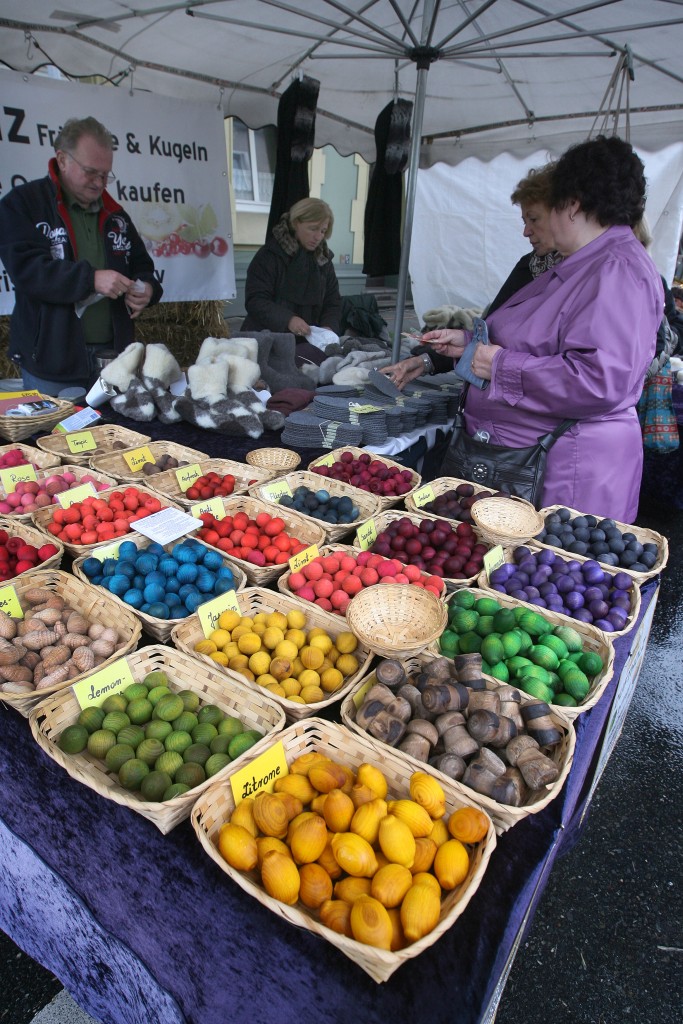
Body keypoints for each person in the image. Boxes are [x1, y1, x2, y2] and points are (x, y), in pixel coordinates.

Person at [420, 135, 664, 524]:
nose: (537, 226)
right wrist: (470, 345)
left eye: (547, 210)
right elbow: (544, 338)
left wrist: (499, 365)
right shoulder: (586, 263)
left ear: (572, 204)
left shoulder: (616, 270)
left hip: (568, 474)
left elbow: (599, 380)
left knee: (552, 562)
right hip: (543, 462)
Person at [0, 116, 162, 396]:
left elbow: (142, 265)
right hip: (52, 363)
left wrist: (147, 288)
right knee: (57, 426)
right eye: (91, 172)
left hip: (114, 359)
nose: (99, 183)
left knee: (116, 425)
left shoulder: (116, 215)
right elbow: (28, 271)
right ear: (62, 160)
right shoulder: (23, 203)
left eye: (105, 175)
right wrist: (91, 279)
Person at [382, 162, 560, 389]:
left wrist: (501, 364)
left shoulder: (585, 280)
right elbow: (492, 330)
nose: (526, 232)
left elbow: (576, 377)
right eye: (525, 222)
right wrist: (425, 361)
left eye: (533, 219)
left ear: (564, 213)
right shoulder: (529, 266)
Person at [241, 197, 342, 362]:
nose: (318, 237)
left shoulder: (323, 261)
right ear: (296, 223)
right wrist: (288, 320)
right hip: (267, 341)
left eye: (323, 231)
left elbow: (333, 302)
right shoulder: (269, 256)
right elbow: (256, 300)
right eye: (313, 229)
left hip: (309, 343)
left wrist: (328, 328)